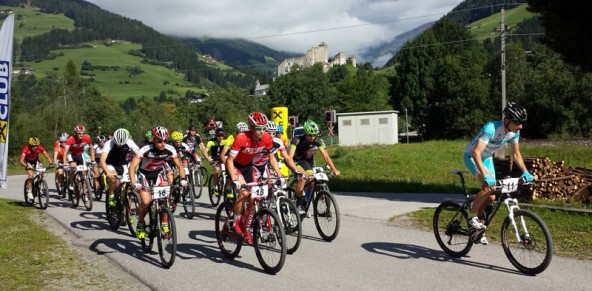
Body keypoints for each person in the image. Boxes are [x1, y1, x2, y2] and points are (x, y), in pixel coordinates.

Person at [463, 102, 534, 245]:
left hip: (487, 157)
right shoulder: (491, 128)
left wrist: (526, 172)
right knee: (488, 186)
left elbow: (516, 154)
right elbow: (476, 152)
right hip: (472, 156)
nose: (520, 126)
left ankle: (478, 227)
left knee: (492, 196)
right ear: (507, 120)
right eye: (518, 122)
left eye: (522, 123)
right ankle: (471, 217)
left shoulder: (515, 132)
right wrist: (485, 175)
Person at [226, 112, 283, 244]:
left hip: (249, 167)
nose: (262, 131)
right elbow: (229, 160)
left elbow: (271, 157)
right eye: (258, 128)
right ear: (251, 127)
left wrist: (279, 175)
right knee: (244, 192)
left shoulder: (267, 138)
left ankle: (247, 225)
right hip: (235, 166)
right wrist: (235, 179)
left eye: (264, 128)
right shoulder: (241, 138)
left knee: (255, 197)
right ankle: (236, 222)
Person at [129, 126, 187, 239]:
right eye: (160, 141)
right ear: (154, 139)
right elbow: (132, 167)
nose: (163, 143)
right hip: (144, 174)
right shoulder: (145, 149)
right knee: (146, 202)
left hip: (158, 174)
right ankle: (140, 223)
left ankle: (164, 222)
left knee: (165, 197)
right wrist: (134, 182)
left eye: (165, 140)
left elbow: (179, 165)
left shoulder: (170, 149)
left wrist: (183, 178)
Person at [289, 119, 340, 212]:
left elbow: (326, 157)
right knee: (303, 177)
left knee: (312, 180)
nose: (312, 137)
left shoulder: (318, 141)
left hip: (306, 162)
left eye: (314, 135)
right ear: (305, 133)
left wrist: (334, 169)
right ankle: (298, 202)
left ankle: (305, 200)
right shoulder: (296, 139)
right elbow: (290, 157)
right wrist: (295, 169)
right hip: (295, 161)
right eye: (310, 135)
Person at [100, 128, 139, 207]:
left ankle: (127, 210)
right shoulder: (108, 144)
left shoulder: (130, 142)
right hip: (111, 163)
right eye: (118, 144)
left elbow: (139, 154)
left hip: (124, 164)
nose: (119, 146)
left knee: (129, 187)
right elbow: (102, 160)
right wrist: (108, 172)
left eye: (121, 144)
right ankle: (111, 195)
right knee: (113, 178)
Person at [63, 125, 95, 197]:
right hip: (71, 154)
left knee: (83, 172)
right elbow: (65, 152)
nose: (81, 135)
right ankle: (71, 182)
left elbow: (91, 148)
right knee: (73, 167)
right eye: (79, 133)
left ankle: (84, 191)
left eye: (83, 133)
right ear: (75, 133)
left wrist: (93, 159)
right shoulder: (71, 139)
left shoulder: (87, 138)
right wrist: (65, 163)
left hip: (80, 155)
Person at [206, 127, 234, 196]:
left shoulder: (225, 141)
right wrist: (210, 161)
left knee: (230, 170)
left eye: (222, 135)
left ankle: (228, 186)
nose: (220, 137)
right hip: (215, 158)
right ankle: (215, 186)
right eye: (218, 136)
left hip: (224, 158)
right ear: (215, 135)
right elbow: (204, 152)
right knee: (216, 169)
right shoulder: (211, 142)